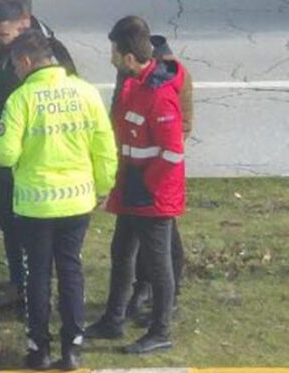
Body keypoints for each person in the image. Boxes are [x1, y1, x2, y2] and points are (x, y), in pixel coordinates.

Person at [0, 30, 118, 370]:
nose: (16, 72)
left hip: (35, 205)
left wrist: (3, 152)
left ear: (27, 61)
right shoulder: (86, 92)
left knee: (37, 274)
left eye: (16, 65)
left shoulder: (22, 99)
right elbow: (104, 148)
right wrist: (103, 187)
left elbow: (4, 153)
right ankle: (73, 346)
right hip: (77, 201)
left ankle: (39, 348)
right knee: (71, 269)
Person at [0, 0, 77, 305]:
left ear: (24, 25)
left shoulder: (50, 51)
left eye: (2, 35)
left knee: (15, 221)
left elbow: (65, 97)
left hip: (23, 153)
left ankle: (21, 285)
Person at [85, 16, 186, 354]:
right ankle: (113, 319)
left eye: (114, 51)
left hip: (152, 195)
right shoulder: (133, 83)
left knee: (158, 264)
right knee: (121, 252)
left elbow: (172, 151)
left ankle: (161, 330)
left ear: (129, 57)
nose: (111, 57)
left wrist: (147, 184)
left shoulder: (158, 96)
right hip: (132, 187)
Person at [123, 35, 193, 323]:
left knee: (164, 243)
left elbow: (179, 130)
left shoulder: (166, 78)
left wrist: (152, 176)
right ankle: (144, 288)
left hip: (156, 177)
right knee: (143, 238)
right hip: (139, 171)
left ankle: (167, 303)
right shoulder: (135, 73)